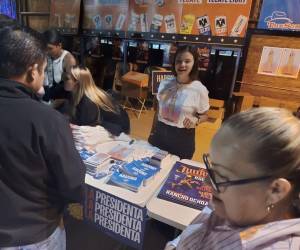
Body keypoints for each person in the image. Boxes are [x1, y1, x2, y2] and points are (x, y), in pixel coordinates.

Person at [165, 107, 300, 250]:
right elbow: (200, 224)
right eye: (212, 168)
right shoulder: (230, 202)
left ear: (275, 190)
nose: (207, 182)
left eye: (222, 175)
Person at [0, 28, 85, 249]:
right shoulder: (48, 121)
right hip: (37, 235)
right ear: (33, 71)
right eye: (44, 70)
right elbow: (73, 183)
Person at [148, 45, 209, 159]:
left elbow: (205, 115)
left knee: (174, 175)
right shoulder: (165, 83)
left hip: (182, 139)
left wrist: (196, 120)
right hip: (160, 134)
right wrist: (152, 132)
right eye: (179, 61)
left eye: (187, 61)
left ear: (194, 63)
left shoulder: (199, 89)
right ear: (174, 63)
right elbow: (158, 111)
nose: (182, 65)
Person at [61, 65, 130, 136]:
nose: (63, 80)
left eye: (66, 78)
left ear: (77, 82)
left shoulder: (87, 102)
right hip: (114, 121)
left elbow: (85, 129)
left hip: (119, 127)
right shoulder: (79, 94)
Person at [43, 28, 77, 101]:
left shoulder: (68, 60)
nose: (47, 51)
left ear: (59, 45)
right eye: (45, 48)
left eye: (50, 48)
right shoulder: (44, 55)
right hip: (43, 96)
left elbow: (69, 90)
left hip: (59, 100)